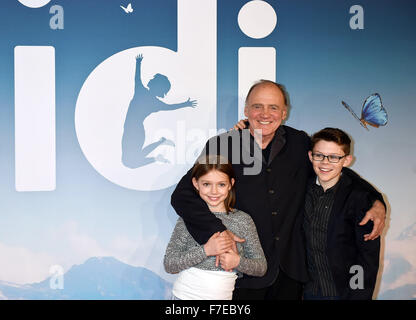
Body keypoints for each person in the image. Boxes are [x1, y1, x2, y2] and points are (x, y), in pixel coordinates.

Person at [171, 80, 386, 300]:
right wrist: (218, 232)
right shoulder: (224, 145)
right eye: (258, 106)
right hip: (242, 271)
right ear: (246, 111)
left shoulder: (300, 142)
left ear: (284, 113)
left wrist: (375, 199)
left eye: (273, 107)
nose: (265, 114)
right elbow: (183, 195)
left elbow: (330, 167)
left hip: (290, 273)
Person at [164, 155, 267, 300]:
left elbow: (261, 267)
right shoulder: (189, 218)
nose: (214, 191)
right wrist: (206, 250)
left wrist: (238, 262)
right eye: (206, 184)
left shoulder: (243, 220)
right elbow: (170, 264)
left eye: (221, 184)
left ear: (231, 184)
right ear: (195, 183)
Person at [303, 128, 381, 300]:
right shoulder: (302, 189)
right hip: (305, 292)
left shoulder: (360, 199)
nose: (325, 163)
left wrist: (358, 296)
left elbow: (365, 258)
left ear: (346, 161)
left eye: (334, 157)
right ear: (310, 156)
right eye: (319, 155)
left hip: (342, 294)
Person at [122, 54, 197, 168]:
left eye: (153, 80)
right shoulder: (146, 95)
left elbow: (137, 78)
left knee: (129, 162)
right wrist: (185, 104)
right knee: (130, 161)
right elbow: (137, 78)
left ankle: (159, 146)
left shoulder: (142, 93)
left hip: (134, 130)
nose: (150, 80)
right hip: (132, 129)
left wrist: (138, 63)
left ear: (156, 86)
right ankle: (160, 146)